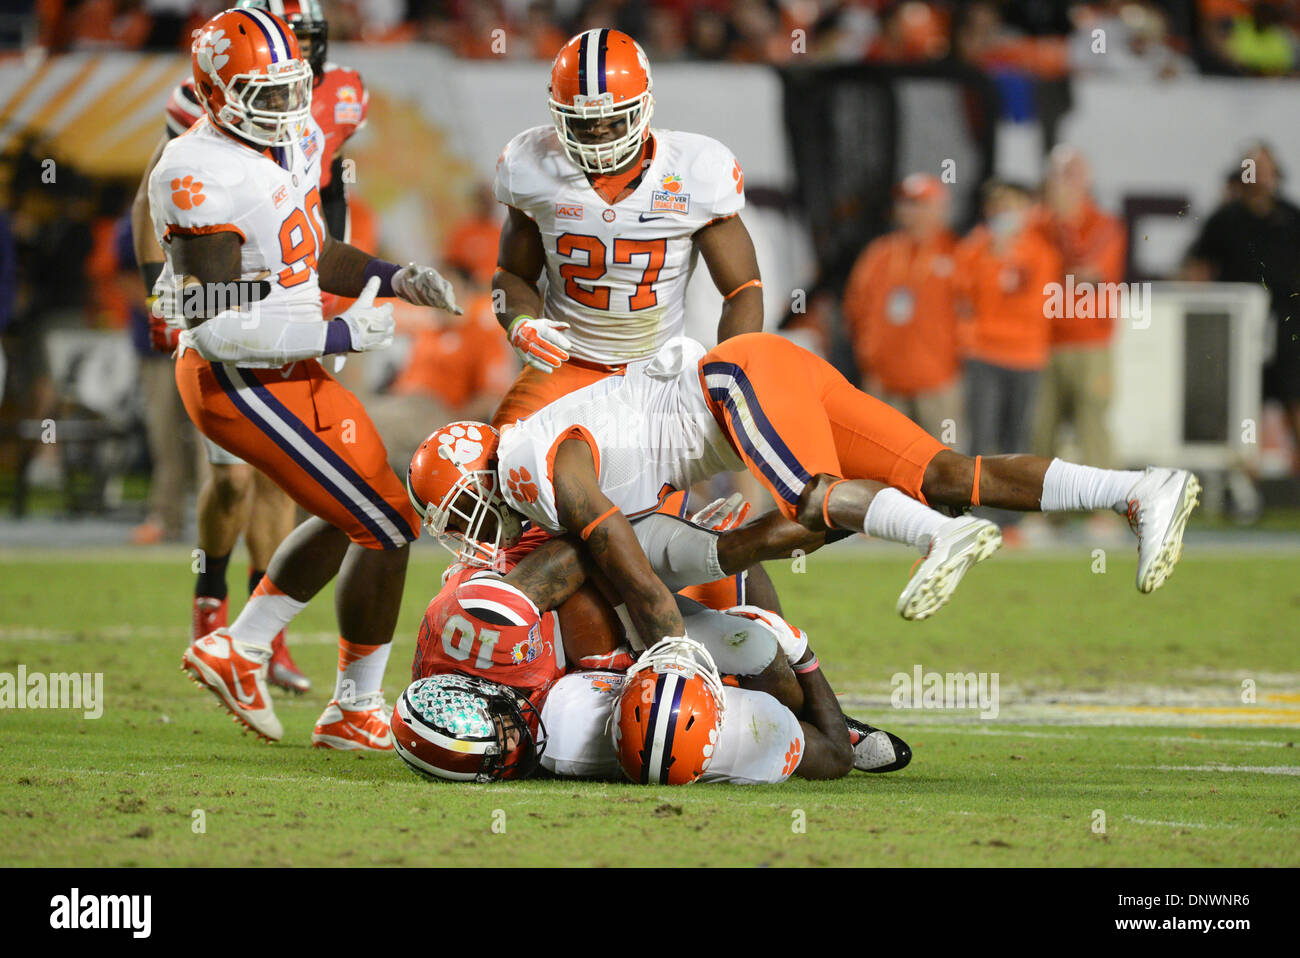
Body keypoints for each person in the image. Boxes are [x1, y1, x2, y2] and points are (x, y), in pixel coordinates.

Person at [411, 331, 1200, 649]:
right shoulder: (554, 486)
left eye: (464, 508)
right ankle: (1139, 489)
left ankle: (936, 535)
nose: (473, 528)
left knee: (809, 494)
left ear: (484, 471)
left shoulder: (521, 454)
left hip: (734, 380)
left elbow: (617, 550)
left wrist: (670, 652)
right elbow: (711, 550)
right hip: (764, 382)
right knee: (947, 477)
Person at [153, 7, 459, 748]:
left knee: (385, 512)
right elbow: (214, 323)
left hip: (285, 366)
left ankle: (341, 701)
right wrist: (341, 329)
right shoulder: (195, 173)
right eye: (267, 94)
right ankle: (252, 651)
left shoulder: (270, 145)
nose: (289, 108)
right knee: (382, 522)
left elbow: (312, 253)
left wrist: (396, 279)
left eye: (292, 88)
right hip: (239, 380)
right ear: (216, 94)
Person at [490, 26, 778, 613]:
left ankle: (763, 642)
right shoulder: (531, 165)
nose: (597, 134)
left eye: (611, 120)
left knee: (652, 536)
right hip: (565, 364)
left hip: (653, 374)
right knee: (504, 496)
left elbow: (742, 289)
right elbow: (508, 276)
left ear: (644, 107)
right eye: (582, 121)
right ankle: (513, 641)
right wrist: (520, 324)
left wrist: (734, 379)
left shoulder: (693, 170)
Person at [130, 0, 368, 694]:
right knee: (233, 478)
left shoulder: (340, 95)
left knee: (280, 475)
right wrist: (161, 291)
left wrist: (338, 293)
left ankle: (267, 639)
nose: (300, 53)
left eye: (308, 40)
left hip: (293, 293)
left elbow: (331, 192)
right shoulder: (207, 104)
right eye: (289, 38)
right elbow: (156, 193)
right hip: (229, 294)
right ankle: (211, 608)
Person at [1183, 141, 1300, 475]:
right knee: (1243, 401)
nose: (1259, 176)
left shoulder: (1292, 216)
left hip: (1289, 323)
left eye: (1265, 168)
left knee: (1295, 397)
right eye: (1252, 168)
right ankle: (1245, 480)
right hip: (1236, 327)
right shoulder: (1225, 219)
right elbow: (1199, 267)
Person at [842, 173, 963, 441]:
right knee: (883, 468)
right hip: (885, 384)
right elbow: (854, 310)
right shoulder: (879, 254)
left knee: (945, 470)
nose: (913, 212)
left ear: (941, 208)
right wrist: (869, 359)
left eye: (921, 204)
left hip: (938, 383)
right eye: (907, 204)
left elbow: (973, 313)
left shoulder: (957, 254)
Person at [1032, 147, 1126, 472]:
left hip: (1090, 343)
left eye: (1071, 174)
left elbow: (1089, 274)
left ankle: (1104, 510)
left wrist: (1063, 228)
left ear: (1086, 180)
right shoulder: (1036, 224)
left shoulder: (1104, 224)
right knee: (1041, 428)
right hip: (1042, 342)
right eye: (1059, 174)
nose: (1064, 183)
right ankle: (1041, 510)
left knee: (1093, 427)